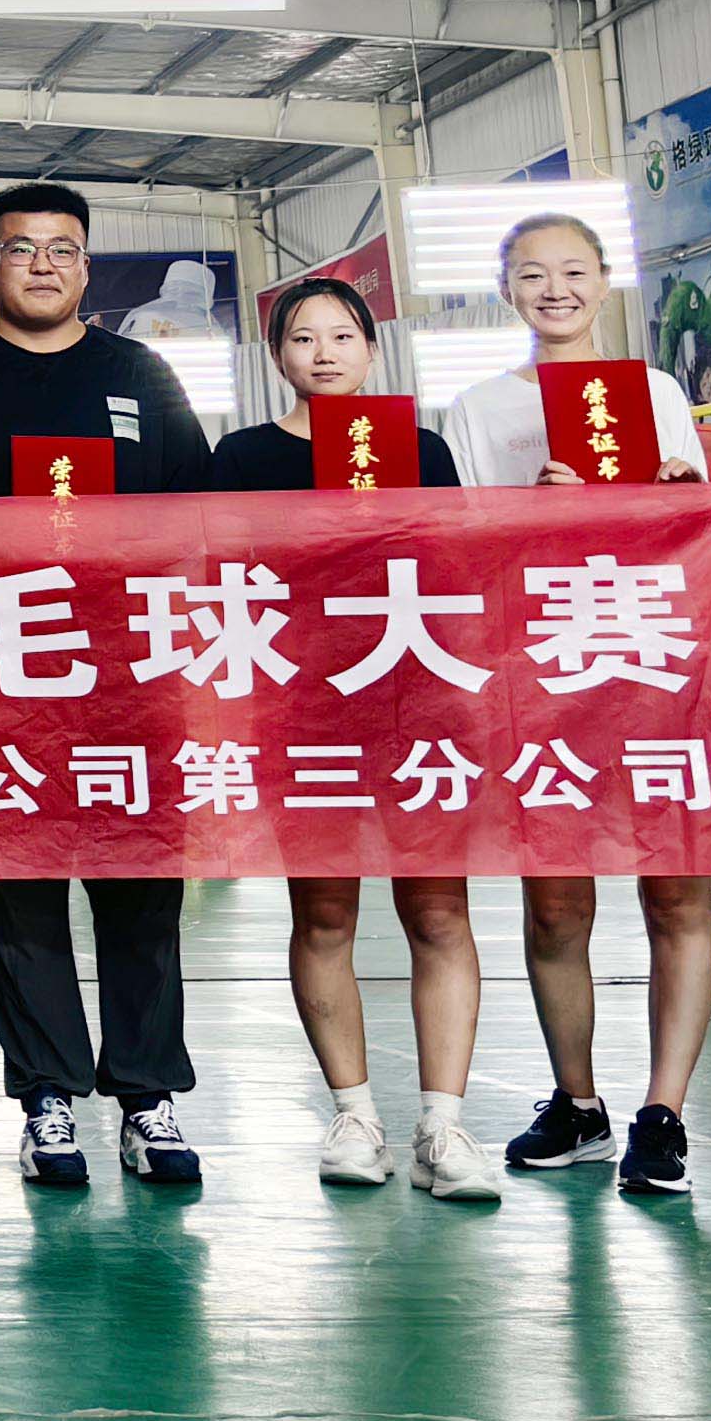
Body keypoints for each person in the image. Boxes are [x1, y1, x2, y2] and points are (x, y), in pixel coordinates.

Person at [0, 182, 213, 1190]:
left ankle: (146, 1094)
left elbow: (197, 516)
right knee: (21, 892)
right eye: (20, 248)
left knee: (142, 889)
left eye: (61, 249)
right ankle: (46, 1096)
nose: (41, 265)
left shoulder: (139, 372)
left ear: (86, 268)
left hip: (131, 675)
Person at [439, 210, 711, 1199]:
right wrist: (529, 513)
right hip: (540, 677)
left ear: (603, 280)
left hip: (651, 670)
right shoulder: (476, 411)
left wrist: (679, 488)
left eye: (572, 271)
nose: (553, 289)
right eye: (531, 274)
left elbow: (695, 540)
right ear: (504, 289)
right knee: (556, 902)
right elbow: (459, 554)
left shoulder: (657, 393)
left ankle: (664, 1113)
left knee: (676, 894)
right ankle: (579, 1101)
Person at [208, 280, 498, 1202]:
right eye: (303, 338)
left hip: (418, 705)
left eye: (343, 335)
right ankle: (354, 1116)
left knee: (439, 914)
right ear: (276, 357)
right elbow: (218, 576)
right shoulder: (241, 457)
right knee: (325, 916)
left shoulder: (422, 449)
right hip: (304, 709)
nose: (324, 353)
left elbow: (459, 568)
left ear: (372, 349)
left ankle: (442, 1128)